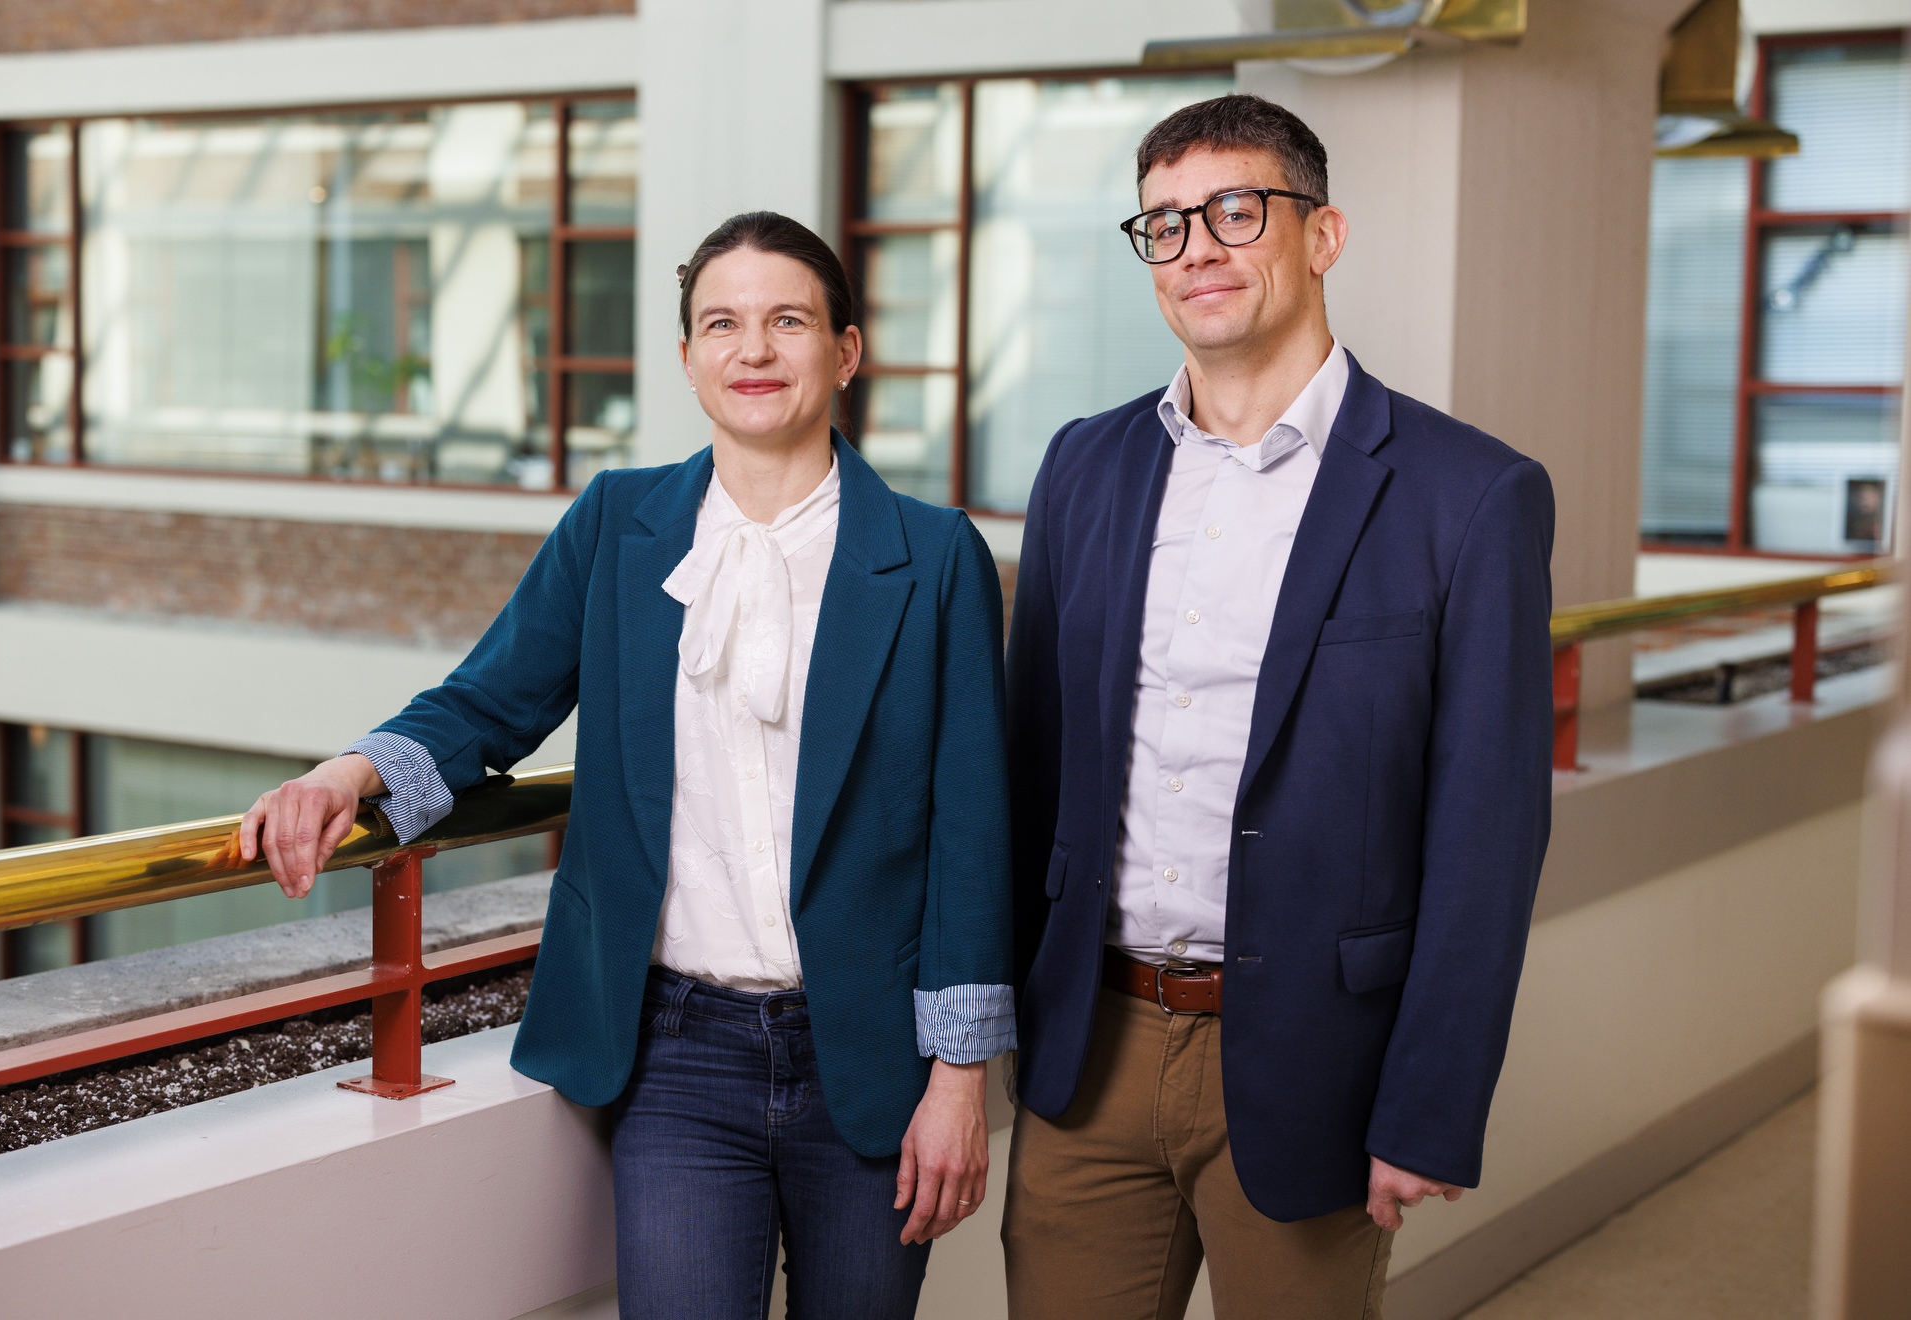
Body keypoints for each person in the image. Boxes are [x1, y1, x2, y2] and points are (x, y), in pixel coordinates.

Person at [239, 212, 1016, 1320]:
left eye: (789, 321)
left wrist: (958, 1078)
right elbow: (491, 702)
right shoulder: (617, 523)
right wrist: (350, 775)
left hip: (874, 1053)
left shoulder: (935, 557)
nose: (754, 350)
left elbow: (971, 828)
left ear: (845, 351)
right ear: (688, 357)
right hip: (674, 1054)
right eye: (722, 325)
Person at [1000, 94, 1555, 1319]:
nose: (1195, 248)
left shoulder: (1470, 494)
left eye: (1235, 212)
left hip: (1318, 1061)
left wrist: (1429, 1106)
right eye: (1164, 224)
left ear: (1323, 234)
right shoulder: (1083, 466)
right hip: (1092, 1049)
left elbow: (1489, 837)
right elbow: (1032, 763)